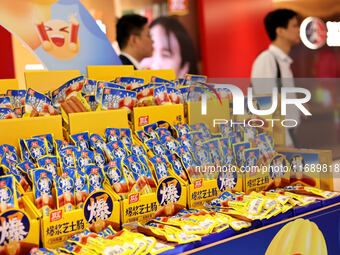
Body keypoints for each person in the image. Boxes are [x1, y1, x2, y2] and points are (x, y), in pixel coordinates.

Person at [251, 9, 301, 147]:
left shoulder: (283, 61)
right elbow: (265, 106)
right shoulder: (267, 59)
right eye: (294, 26)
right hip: (278, 139)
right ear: (280, 31)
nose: (298, 30)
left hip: (287, 134)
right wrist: (286, 142)